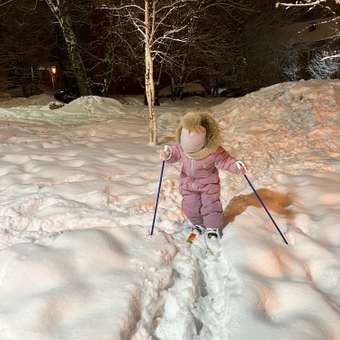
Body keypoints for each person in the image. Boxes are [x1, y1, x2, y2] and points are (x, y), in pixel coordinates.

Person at [160, 111, 247, 240]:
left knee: (211, 206)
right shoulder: (181, 148)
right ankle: (199, 225)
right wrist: (168, 155)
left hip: (208, 184)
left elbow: (225, 160)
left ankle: (212, 228)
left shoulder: (213, 150)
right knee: (190, 207)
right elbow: (175, 153)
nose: (188, 153)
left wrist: (236, 166)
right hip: (188, 184)